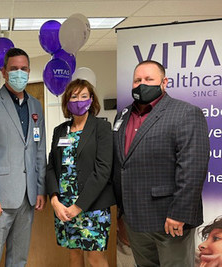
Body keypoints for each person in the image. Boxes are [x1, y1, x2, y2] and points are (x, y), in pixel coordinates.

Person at [113, 60, 210, 266]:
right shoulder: (122, 115)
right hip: (135, 217)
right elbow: (122, 163)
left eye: (149, 79)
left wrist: (179, 213)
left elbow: (193, 167)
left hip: (170, 218)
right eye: (137, 80)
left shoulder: (185, 113)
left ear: (164, 82)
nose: (142, 84)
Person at [0, 47, 47, 267]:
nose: (19, 73)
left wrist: (40, 188)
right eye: (14, 69)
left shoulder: (35, 106)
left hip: (28, 196)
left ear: (29, 70)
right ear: (4, 71)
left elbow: (39, 149)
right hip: (0, 199)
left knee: (19, 258)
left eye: (24, 69)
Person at [46, 79, 115, 267]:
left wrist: (79, 206)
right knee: (74, 254)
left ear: (92, 100)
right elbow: (51, 166)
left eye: (84, 96)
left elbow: (103, 170)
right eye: (74, 96)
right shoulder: (60, 131)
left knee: (94, 257)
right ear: (67, 101)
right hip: (64, 207)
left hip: (92, 205)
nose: (79, 101)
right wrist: (54, 200)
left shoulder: (102, 128)